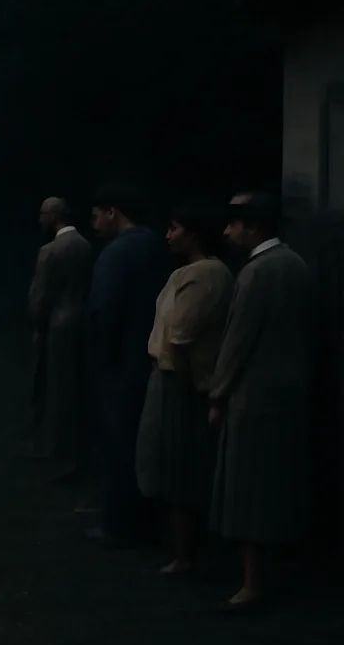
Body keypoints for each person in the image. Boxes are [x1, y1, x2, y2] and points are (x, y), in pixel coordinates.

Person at [208, 191, 313, 611]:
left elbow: (237, 341)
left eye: (234, 223)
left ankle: (252, 581)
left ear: (253, 227)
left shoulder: (256, 273)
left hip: (254, 396)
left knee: (248, 488)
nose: (227, 231)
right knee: (278, 485)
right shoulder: (298, 265)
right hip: (292, 392)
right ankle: (277, 570)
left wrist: (218, 394)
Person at [135, 200, 234, 574]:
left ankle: (185, 555)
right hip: (173, 376)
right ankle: (182, 549)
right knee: (172, 465)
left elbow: (180, 335)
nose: (168, 235)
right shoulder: (192, 272)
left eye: (175, 228)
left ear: (193, 233)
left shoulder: (205, 274)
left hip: (180, 380)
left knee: (178, 468)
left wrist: (178, 379)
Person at [86, 182, 169, 548]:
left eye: (96, 213)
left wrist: (99, 359)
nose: (93, 221)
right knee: (145, 442)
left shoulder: (115, 254)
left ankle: (118, 524)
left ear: (112, 212)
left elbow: (104, 312)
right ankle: (149, 518)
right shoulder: (156, 245)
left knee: (118, 443)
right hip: (152, 357)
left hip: (120, 363)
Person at [27, 197, 95, 476]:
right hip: (82, 322)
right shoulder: (86, 246)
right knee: (77, 390)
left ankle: (59, 452)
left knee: (56, 389)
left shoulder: (50, 250)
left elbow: (40, 297)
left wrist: (36, 325)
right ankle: (77, 453)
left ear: (54, 216)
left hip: (58, 324)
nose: (40, 219)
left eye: (43, 214)